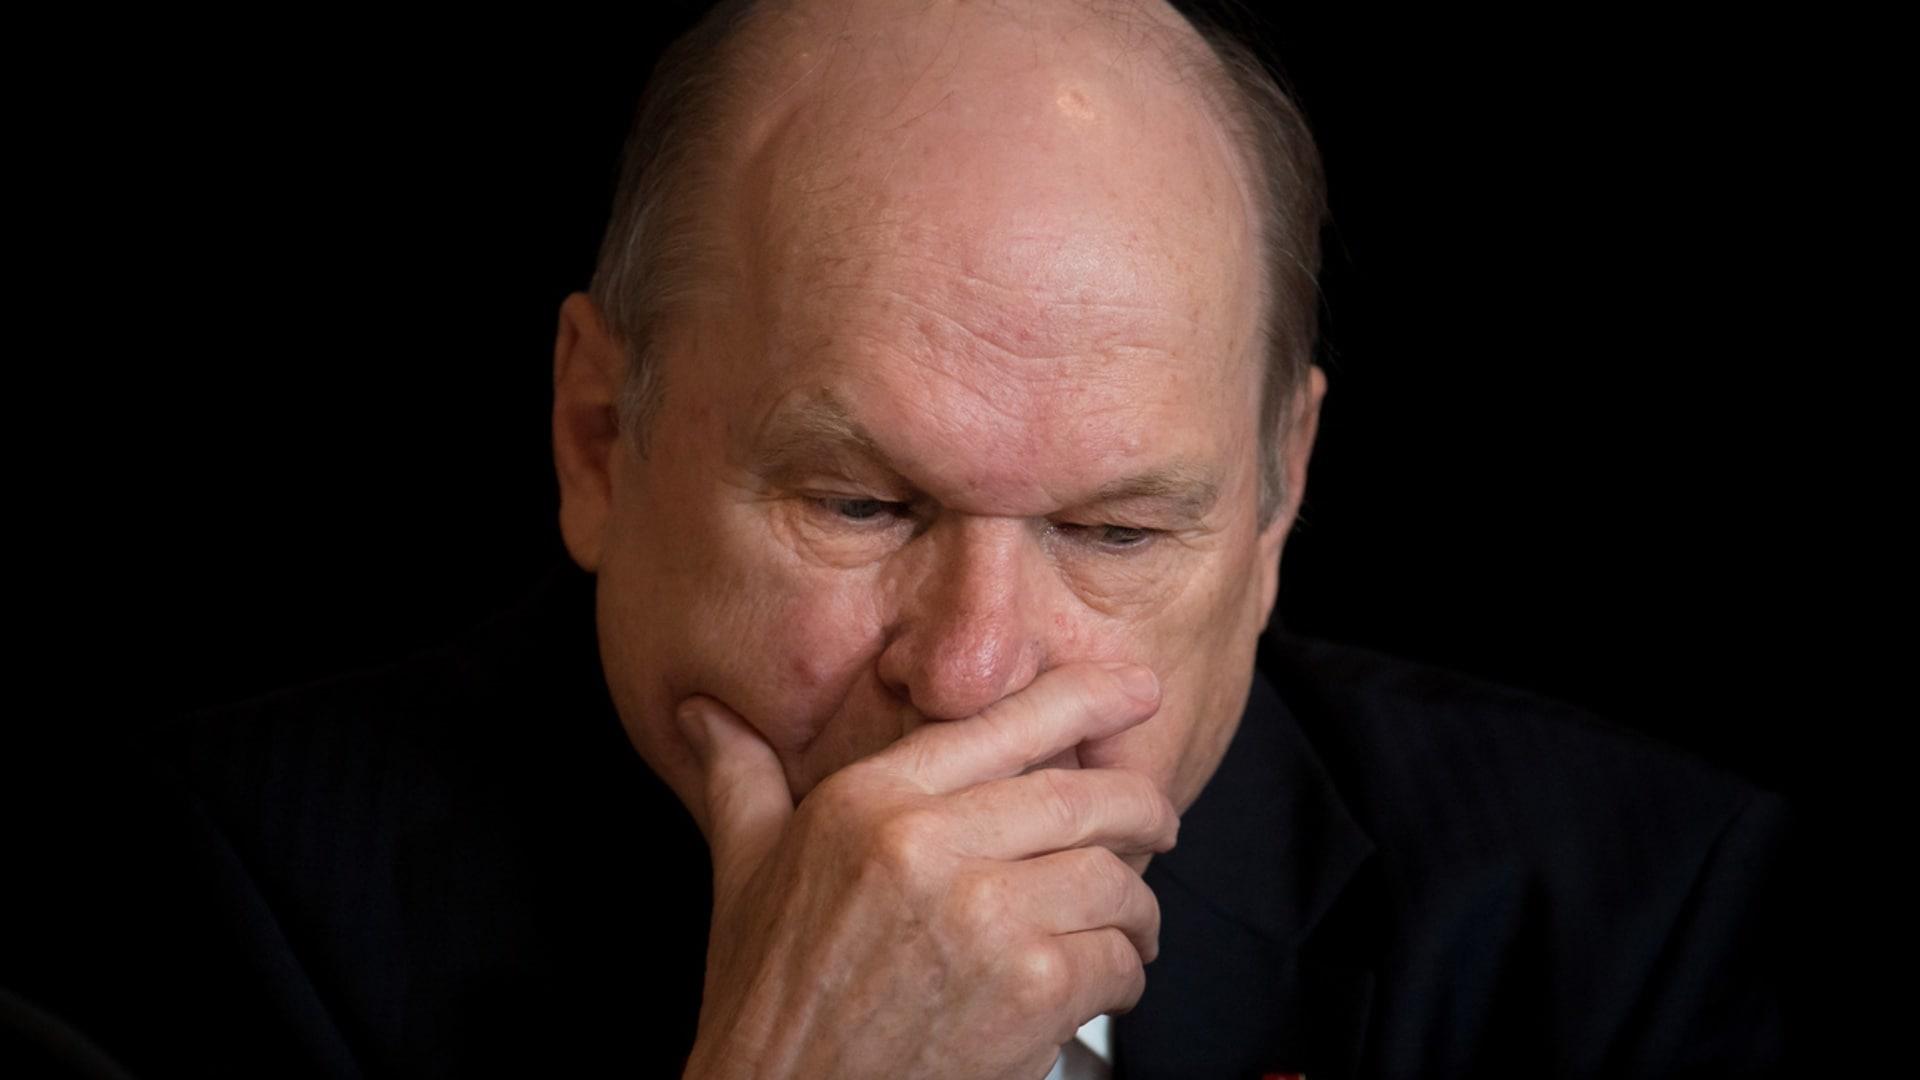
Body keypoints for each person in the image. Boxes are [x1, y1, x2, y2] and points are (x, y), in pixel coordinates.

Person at [6, 1, 1788, 1077]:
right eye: (858, 504)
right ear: (599, 440)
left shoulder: (1639, 922)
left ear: (1277, 502)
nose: (976, 671)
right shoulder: (195, 912)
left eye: (1115, 529)